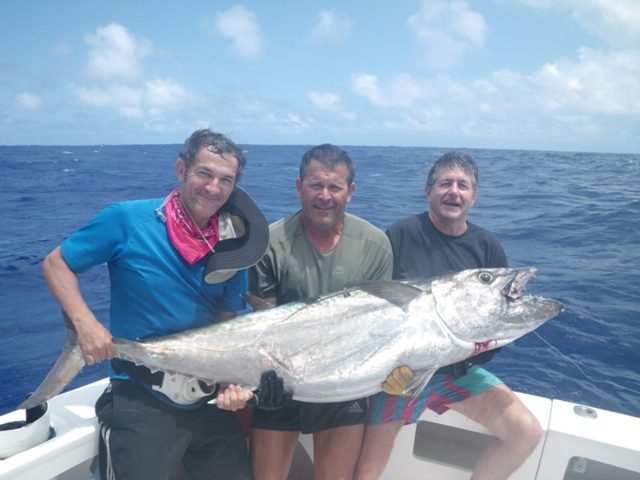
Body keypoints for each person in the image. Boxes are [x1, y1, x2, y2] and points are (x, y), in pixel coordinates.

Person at [41, 129, 277, 480]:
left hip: (205, 397)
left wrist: (232, 384)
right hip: (140, 395)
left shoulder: (233, 247)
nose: (213, 188)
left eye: (225, 180)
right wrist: (86, 325)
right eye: (204, 173)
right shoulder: (127, 220)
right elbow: (56, 264)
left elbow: (224, 326)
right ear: (181, 169)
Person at [355, 151, 543, 480]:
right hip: (400, 376)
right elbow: (368, 308)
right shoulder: (398, 235)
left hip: (458, 372)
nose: (453, 191)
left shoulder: (488, 248)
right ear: (428, 192)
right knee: (369, 469)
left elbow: (497, 323)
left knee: (525, 432)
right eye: (445, 183)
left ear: (474, 196)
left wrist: (480, 348)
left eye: (463, 185)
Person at [248, 144, 393, 480]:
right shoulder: (270, 242)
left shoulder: (375, 245)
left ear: (351, 192)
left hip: (345, 384)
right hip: (279, 383)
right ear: (299, 187)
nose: (325, 196)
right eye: (315, 185)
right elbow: (263, 325)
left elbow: (379, 325)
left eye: (334, 187)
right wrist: (267, 377)